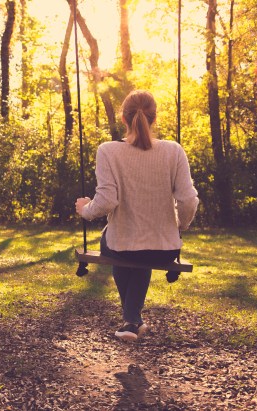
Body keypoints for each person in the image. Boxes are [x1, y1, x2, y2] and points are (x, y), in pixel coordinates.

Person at [75, 90, 199, 342]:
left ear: (123, 118)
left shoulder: (108, 151)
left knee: (116, 242)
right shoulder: (173, 151)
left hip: (121, 247)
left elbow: (107, 201)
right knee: (141, 250)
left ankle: (131, 321)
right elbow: (188, 200)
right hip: (164, 249)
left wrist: (85, 210)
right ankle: (133, 319)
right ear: (154, 118)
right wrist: (180, 226)